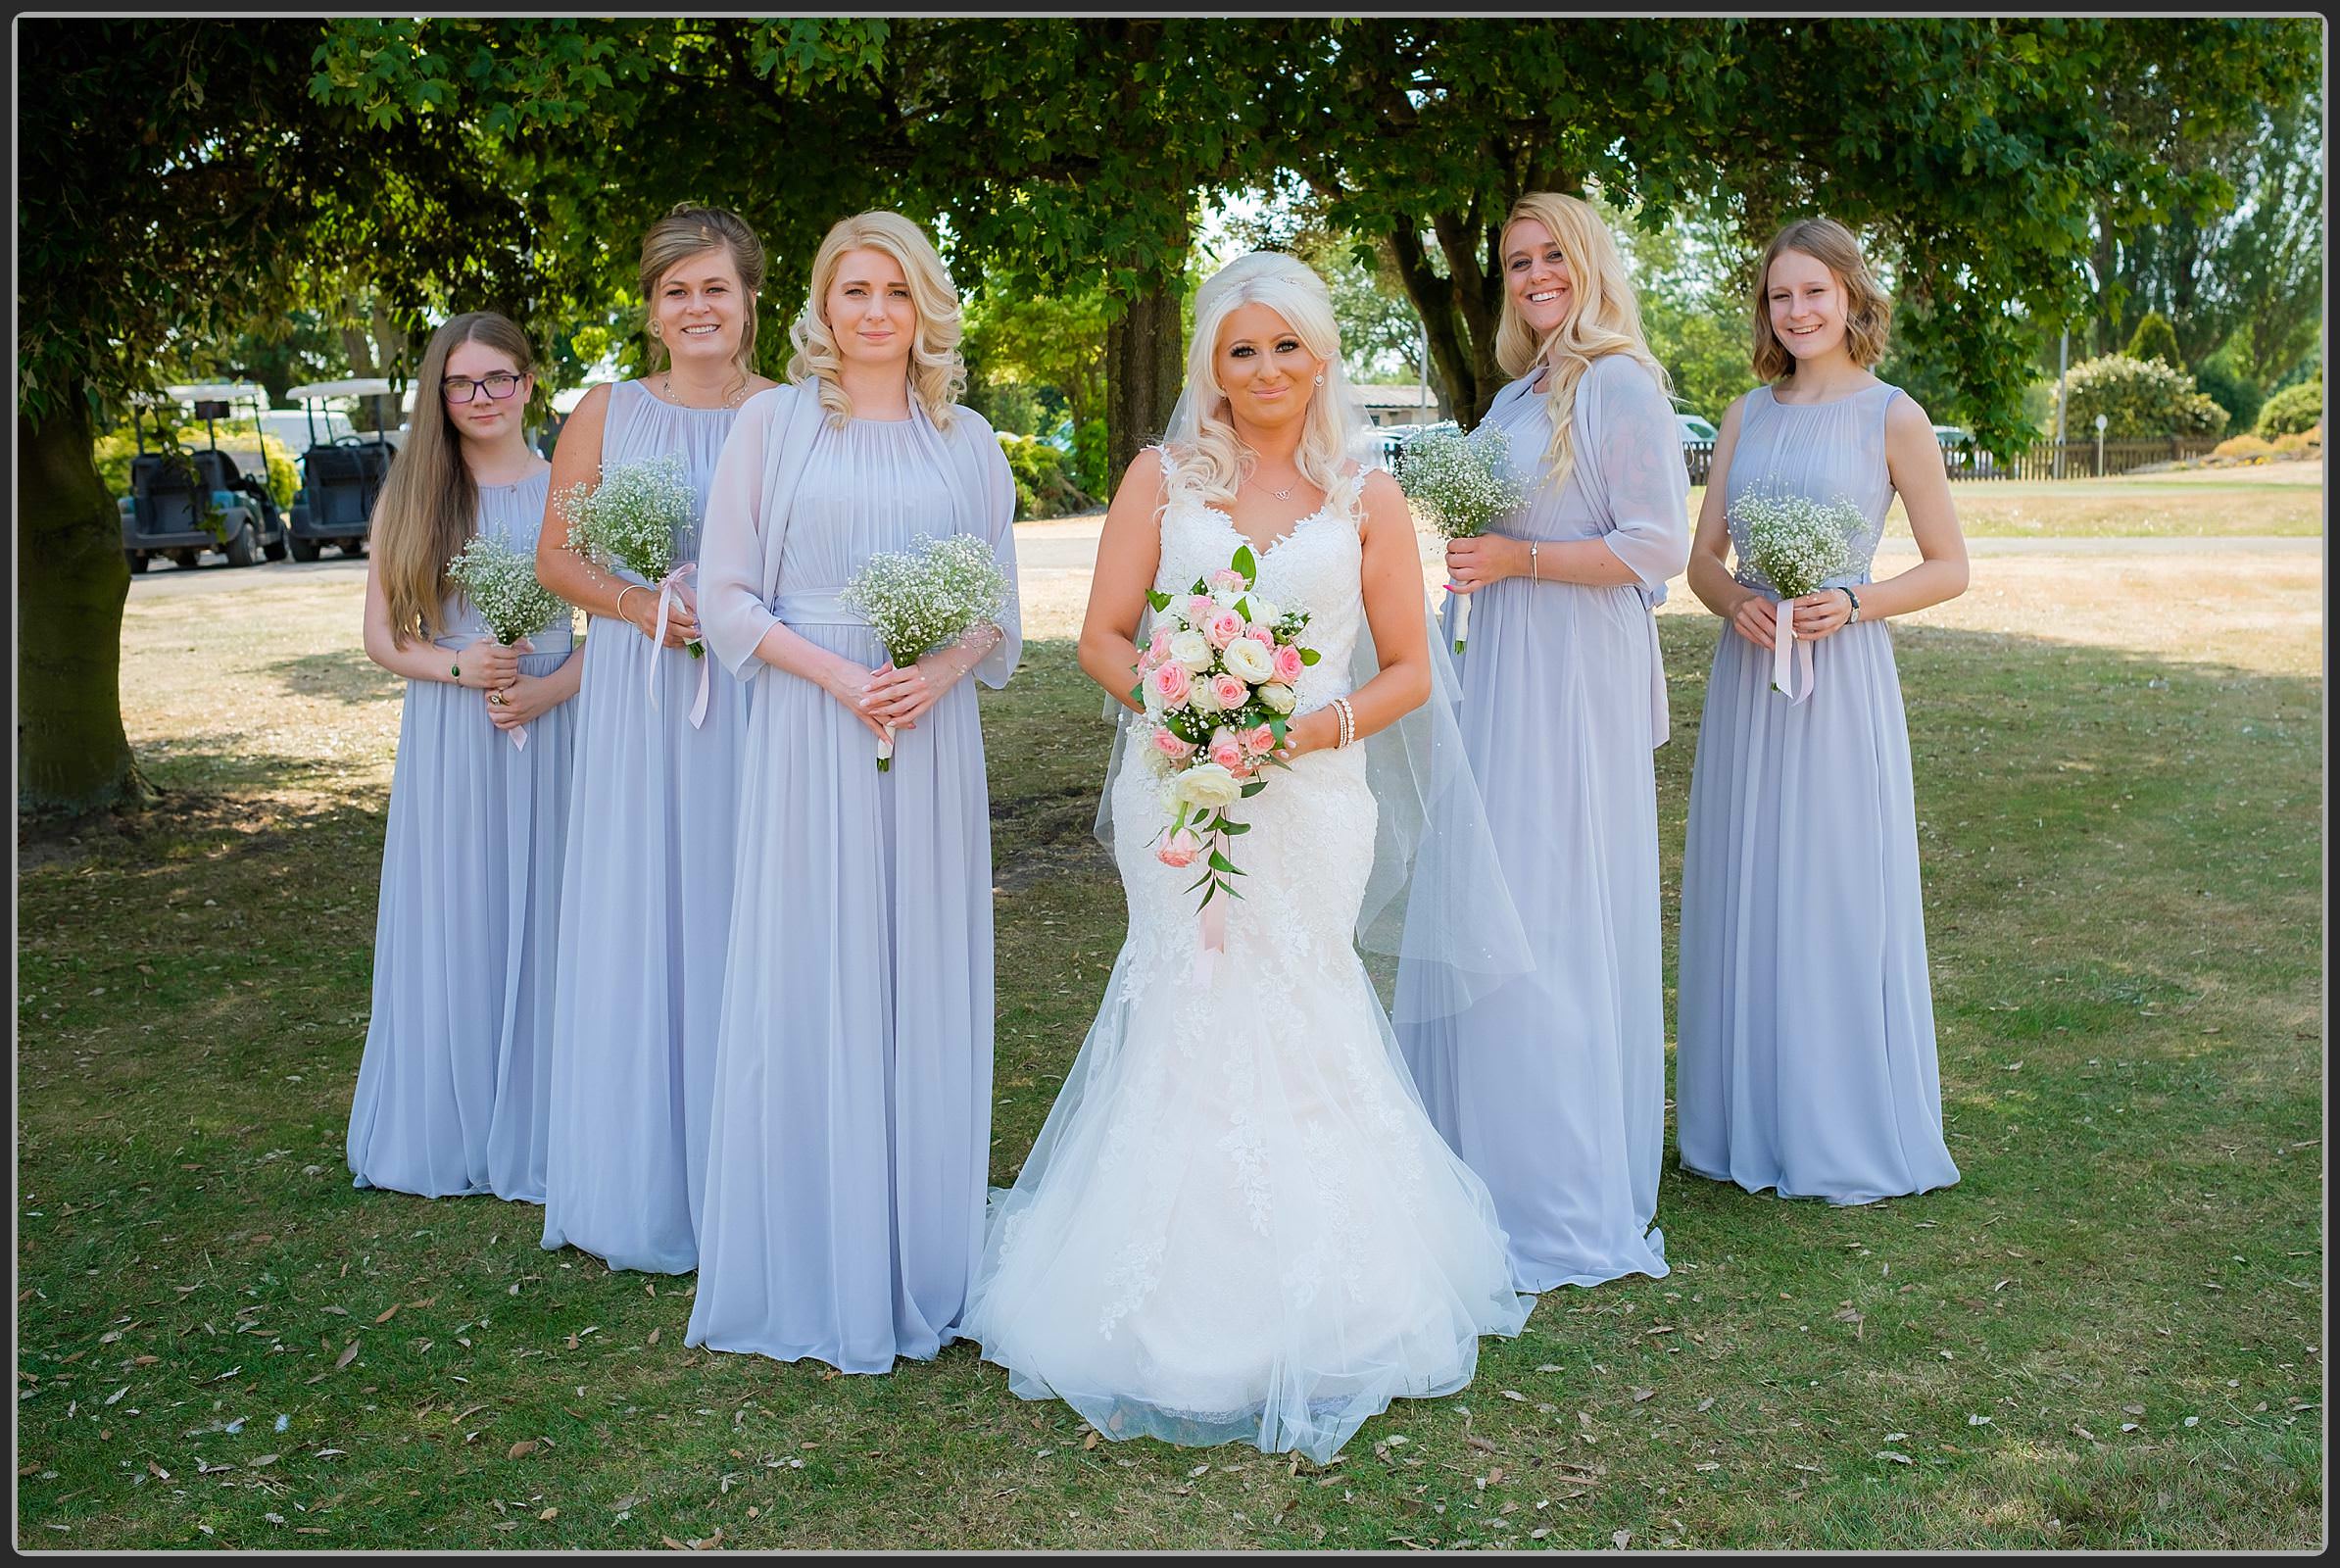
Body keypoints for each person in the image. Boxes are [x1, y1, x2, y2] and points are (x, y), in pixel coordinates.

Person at [959, 250, 1531, 1464]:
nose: (1265, 369)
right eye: (1239, 349)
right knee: (1189, 1000)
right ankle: (1165, 1306)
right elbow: (1105, 638)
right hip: (1177, 790)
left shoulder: (1367, 495)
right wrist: (1178, 712)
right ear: (1211, 367)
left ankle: (1342, 1293)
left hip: (1316, 796)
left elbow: (1409, 670)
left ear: (1319, 355)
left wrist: (1302, 728)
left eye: (1285, 345)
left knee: (1301, 1000)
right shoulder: (1160, 481)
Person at [687, 211, 1021, 1371]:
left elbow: (997, 608)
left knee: (918, 971)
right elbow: (727, 596)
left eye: (894, 290)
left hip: (930, 738)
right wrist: (842, 677)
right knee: (814, 967)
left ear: (924, 305)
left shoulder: (968, 439)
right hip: (808, 728)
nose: (874, 311)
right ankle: (818, 1256)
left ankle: (924, 1254)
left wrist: (933, 672)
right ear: (821, 308)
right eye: (851, 290)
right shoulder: (770, 426)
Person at [1395, 191, 1687, 1291]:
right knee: (1496, 897)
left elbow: (1656, 544)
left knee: (1554, 907)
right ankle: (1484, 1169)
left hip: (1574, 674)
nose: (1531, 277)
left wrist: (1516, 563)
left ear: (1590, 262)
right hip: (1507, 661)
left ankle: (1555, 1193)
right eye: (1517, 263)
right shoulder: (1519, 392)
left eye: (1549, 256)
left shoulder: (1616, 381)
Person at [1674, 216, 1969, 1203]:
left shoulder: (1895, 415)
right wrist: (1739, 602)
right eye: (1779, 295)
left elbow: (1949, 566)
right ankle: (1747, 1117)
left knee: (1831, 884)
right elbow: (1700, 561)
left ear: (1851, 296)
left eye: (1813, 292)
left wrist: (1853, 601)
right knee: (1750, 878)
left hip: (1842, 683)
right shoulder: (1743, 416)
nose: (1796, 311)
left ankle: (1838, 1118)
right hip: (1749, 679)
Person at [536, 205, 778, 1272]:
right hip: (641, 703)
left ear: (750, 301)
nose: (697, 308)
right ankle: (644, 1175)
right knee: (648, 907)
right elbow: (558, 559)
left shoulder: (794, 412)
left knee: (753, 905)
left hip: (760, 696)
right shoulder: (605, 412)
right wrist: (645, 609)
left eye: (714, 288)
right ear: (650, 310)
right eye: (676, 291)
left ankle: (756, 1170)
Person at [348, 311, 576, 1202]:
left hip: (552, 726)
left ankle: (547, 1121)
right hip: (452, 730)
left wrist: (549, 687)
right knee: (460, 908)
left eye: (498, 379)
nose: (481, 398)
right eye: (461, 383)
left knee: (552, 908)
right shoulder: (414, 496)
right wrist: (458, 664)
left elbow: (628, 633)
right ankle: (453, 1116)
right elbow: (380, 638)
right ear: (438, 396)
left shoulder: (570, 489)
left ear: (527, 384)